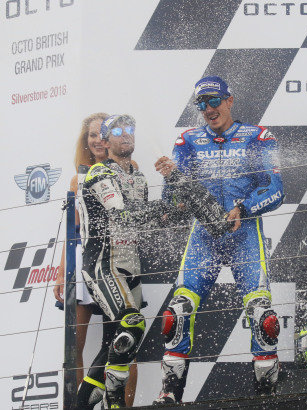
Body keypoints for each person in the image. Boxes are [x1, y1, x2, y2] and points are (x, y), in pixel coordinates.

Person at [153, 76, 285, 404]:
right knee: (177, 313)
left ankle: (266, 396)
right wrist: (171, 179)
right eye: (201, 103)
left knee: (262, 317)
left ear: (229, 100)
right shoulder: (187, 142)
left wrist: (244, 207)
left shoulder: (258, 136)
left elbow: (276, 189)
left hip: (244, 236)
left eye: (213, 101)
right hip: (204, 237)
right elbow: (175, 204)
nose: (208, 109)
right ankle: (169, 395)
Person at [78, 114, 170, 408]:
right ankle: (113, 399)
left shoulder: (139, 177)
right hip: (103, 265)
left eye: (129, 129)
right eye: (116, 131)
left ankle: (80, 404)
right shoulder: (98, 173)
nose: (125, 134)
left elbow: (142, 225)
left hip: (131, 267)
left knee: (115, 346)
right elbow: (122, 214)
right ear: (105, 141)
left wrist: (177, 202)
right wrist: (163, 209)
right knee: (131, 324)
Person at [53, 112, 138, 408]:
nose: (98, 139)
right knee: (75, 345)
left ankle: (120, 405)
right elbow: (73, 228)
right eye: (92, 135)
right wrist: (63, 268)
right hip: (85, 261)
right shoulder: (79, 177)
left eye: (103, 133)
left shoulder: (129, 169)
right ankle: (80, 405)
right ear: (87, 141)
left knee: (124, 339)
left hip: (119, 259)